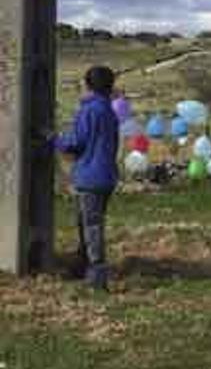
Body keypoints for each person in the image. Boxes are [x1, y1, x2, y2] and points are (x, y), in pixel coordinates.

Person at [53, 66, 120, 291]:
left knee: (91, 226)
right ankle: (81, 266)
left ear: (89, 85)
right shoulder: (109, 112)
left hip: (90, 177)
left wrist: (52, 139)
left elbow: (75, 142)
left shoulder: (89, 110)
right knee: (86, 223)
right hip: (106, 176)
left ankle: (97, 275)